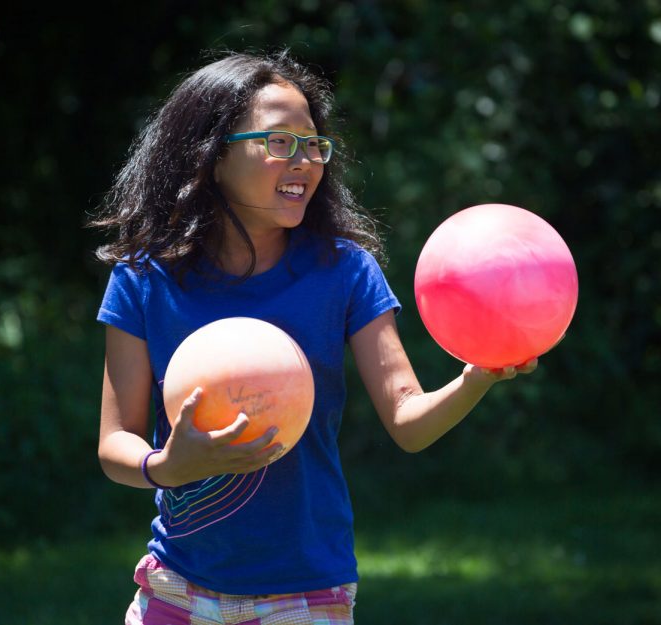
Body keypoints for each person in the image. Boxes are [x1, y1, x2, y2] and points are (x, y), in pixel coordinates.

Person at [93, 50, 537, 625]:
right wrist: (166, 466)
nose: (305, 160)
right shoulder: (143, 278)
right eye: (281, 142)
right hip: (174, 589)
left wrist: (477, 377)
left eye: (314, 144)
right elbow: (115, 443)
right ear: (213, 156)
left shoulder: (345, 271)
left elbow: (408, 422)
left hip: (303, 597)